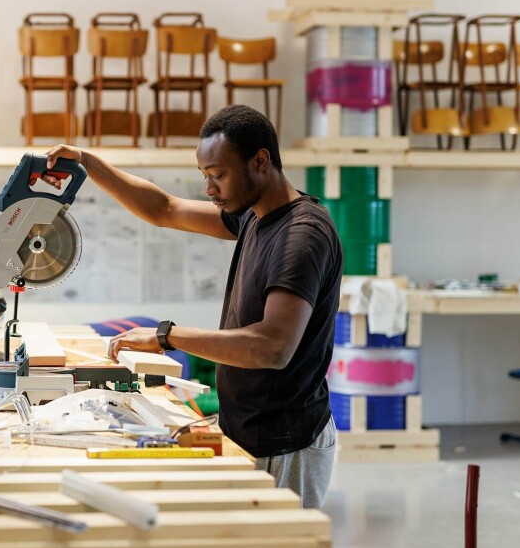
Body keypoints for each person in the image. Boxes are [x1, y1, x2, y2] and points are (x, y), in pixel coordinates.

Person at [45, 104, 342, 508]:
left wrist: (167, 336)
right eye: (205, 176)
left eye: (218, 175)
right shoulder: (255, 216)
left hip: (285, 442)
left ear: (260, 161)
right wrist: (89, 163)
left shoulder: (301, 235)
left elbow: (272, 347)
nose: (209, 189)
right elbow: (163, 209)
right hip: (249, 430)